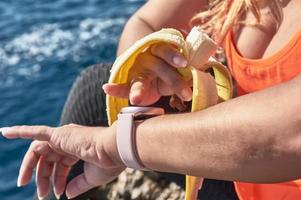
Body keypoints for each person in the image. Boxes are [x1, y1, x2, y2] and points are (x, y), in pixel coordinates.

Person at [2, 0, 301, 199]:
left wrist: (115, 145)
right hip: (239, 178)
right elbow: (144, 20)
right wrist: (143, 74)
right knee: (94, 89)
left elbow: (290, 133)